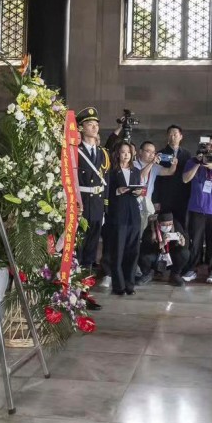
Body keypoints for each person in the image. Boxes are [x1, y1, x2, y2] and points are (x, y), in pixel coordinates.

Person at [181, 135, 212, 284]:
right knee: (195, 241)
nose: (210, 148)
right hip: (196, 208)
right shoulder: (192, 161)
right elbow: (185, 179)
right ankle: (192, 268)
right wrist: (198, 164)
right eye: (207, 145)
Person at [75, 108, 108, 309]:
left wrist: (104, 208)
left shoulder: (102, 153)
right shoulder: (75, 151)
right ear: (80, 128)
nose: (95, 127)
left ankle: (85, 294)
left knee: (90, 252)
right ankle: (74, 293)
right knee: (78, 249)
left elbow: (106, 181)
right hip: (81, 204)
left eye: (96, 124)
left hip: (96, 206)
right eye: (90, 124)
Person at [106, 141, 145, 296]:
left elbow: (139, 189)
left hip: (133, 213)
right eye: (123, 152)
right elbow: (107, 192)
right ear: (118, 154)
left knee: (133, 251)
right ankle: (119, 286)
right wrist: (117, 191)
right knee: (118, 250)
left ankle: (130, 284)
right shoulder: (112, 171)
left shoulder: (135, 171)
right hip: (118, 213)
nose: (126, 155)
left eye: (128, 152)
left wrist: (138, 192)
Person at [133, 140, 178, 233]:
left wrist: (174, 164)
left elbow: (169, 172)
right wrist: (152, 163)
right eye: (148, 151)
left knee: (145, 233)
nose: (151, 154)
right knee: (134, 231)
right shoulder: (134, 164)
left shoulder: (155, 167)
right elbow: (140, 176)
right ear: (140, 152)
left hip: (147, 205)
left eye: (153, 152)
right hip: (134, 204)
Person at [153, 124, 193, 225]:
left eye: (175, 134)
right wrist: (156, 199)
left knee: (181, 225)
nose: (173, 136)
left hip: (182, 196)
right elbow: (156, 178)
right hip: (165, 196)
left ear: (181, 136)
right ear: (167, 136)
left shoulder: (187, 154)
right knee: (165, 225)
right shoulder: (160, 154)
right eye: (170, 134)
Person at [138, 212, 189, 287]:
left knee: (185, 253)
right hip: (156, 256)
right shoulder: (151, 229)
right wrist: (161, 244)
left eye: (170, 224)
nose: (168, 226)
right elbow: (145, 246)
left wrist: (183, 243)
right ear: (159, 223)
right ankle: (147, 274)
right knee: (144, 256)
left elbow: (186, 240)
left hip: (171, 256)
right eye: (164, 225)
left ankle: (175, 274)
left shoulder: (176, 225)